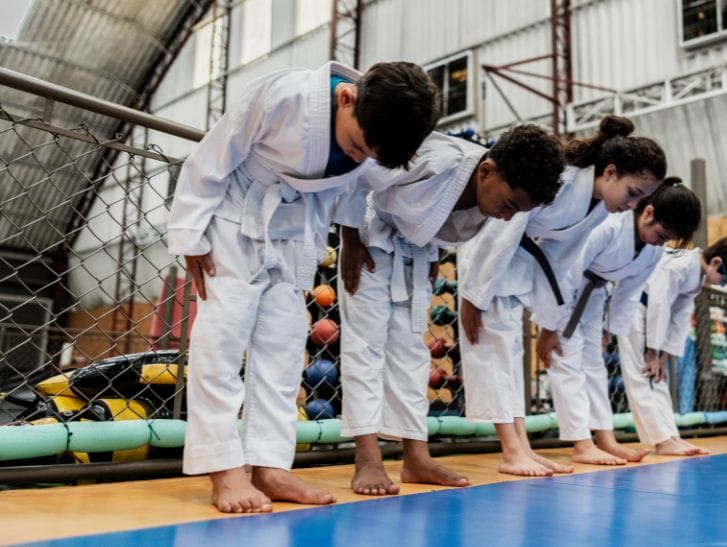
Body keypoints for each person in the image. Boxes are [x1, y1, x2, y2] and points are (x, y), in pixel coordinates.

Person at [166, 60, 439, 513]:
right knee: (222, 340)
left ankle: (270, 465)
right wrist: (191, 234)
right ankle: (224, 469)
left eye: (367, 155)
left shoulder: (373, 133)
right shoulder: (283, 96)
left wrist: (345, 239)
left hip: (295, 234)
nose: (357, 157)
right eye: (356, 145)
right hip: (234, 218)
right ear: (345, 98)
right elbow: (213, 155)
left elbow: (352, 190)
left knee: (285, 346)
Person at [337, 125, 565, 495]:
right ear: (487, 170)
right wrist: (349, 240)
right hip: (369, 242)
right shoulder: (437, 159)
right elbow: (362, 172)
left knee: (412, 354)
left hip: (415, 256)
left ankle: (416, 457)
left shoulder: (491, 193)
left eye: (516, 212)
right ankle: (367, 459)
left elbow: (437, 221)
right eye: (508, 204)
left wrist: (434, 249)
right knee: (365, 349)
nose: (506, 217)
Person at [459, 115, 666, 476]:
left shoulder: (599, 209)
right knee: (493, 352)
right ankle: (511, 451)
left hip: (520, 268)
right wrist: (473, 293)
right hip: (489, 254)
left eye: (641, 199)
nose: (633, 205)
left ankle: (522, 446)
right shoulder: (565, 179)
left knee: (510, 355)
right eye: (633, 193)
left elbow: (561, 261)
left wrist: (550, 322)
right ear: (611, 172)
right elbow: (503, 225)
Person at [536, 181, 702, 465]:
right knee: (566, 361)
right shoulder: (609, 225)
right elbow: (569, 273)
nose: (660, 242)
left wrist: (608, 330)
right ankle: (581, 442)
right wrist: (548, 327)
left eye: (667, 240)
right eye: (661, 234)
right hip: (563, 291)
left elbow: (629, 292)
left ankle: (606, 439)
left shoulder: (653, 250)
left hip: (595, 297)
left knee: (594, 367)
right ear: (647, 213)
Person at [620, 235, 727, 455]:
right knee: (641, 374)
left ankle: (671, 436)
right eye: (725, 280)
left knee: (658, 378)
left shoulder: (696, 275)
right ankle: (661, 441)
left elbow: (680, 317)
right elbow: (659, 304)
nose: (722, 285)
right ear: (716, 262)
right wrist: (653, 351)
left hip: (651, 316)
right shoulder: (681, 266)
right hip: (635, 307)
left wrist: (663, 355)